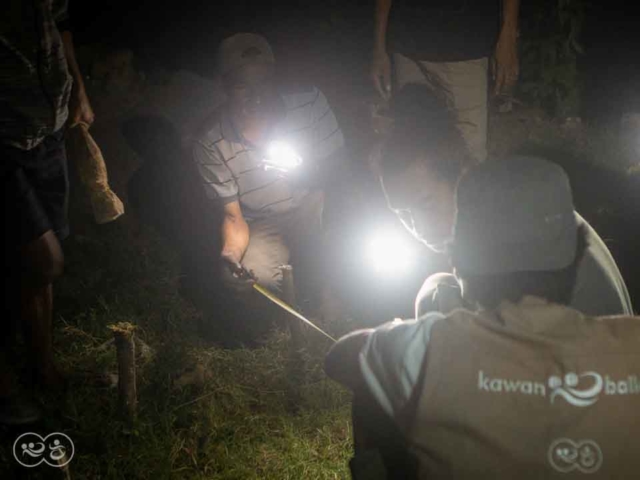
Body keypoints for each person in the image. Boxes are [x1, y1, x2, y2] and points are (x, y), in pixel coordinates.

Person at [326, 157, 640, 478]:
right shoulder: (631, 343)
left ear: (460, 264)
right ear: (577, 258)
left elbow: (339, 358)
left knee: (372, 397)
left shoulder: (428, 349)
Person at [127, 33, 346, 330]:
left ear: (274, 79)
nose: (256, 97)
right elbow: (233, 216)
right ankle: (279, 327)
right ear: (225, 86)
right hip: (265, 221)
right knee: (254, 279)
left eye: (264, 83)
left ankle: (332, 297)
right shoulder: (210, 141)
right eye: (243, 86)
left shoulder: (308, 103)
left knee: (344, 234)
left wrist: (306, 174)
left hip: (316, 202)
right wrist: (230, 256)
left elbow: (340, 171)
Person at [378, 85, 632, 318]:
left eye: (426, 204)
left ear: (462, 177)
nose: (419, 228)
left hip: (581, 358)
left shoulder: (495, 247)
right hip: (602, 346)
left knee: (433, 299)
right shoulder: (514, 196)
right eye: (403, 215)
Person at [1, 0, 94, 424]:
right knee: (43, 258)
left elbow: (58, 20)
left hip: (49, 125)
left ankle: (43, 367)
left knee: (41, 262)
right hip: (4, 137)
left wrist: (77, 84)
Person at [371, 0, 520, 162]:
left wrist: (509, 36)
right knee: (412, 150)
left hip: (468, 47)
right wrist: (379, 47)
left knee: (469, 155)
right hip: (410, 45)